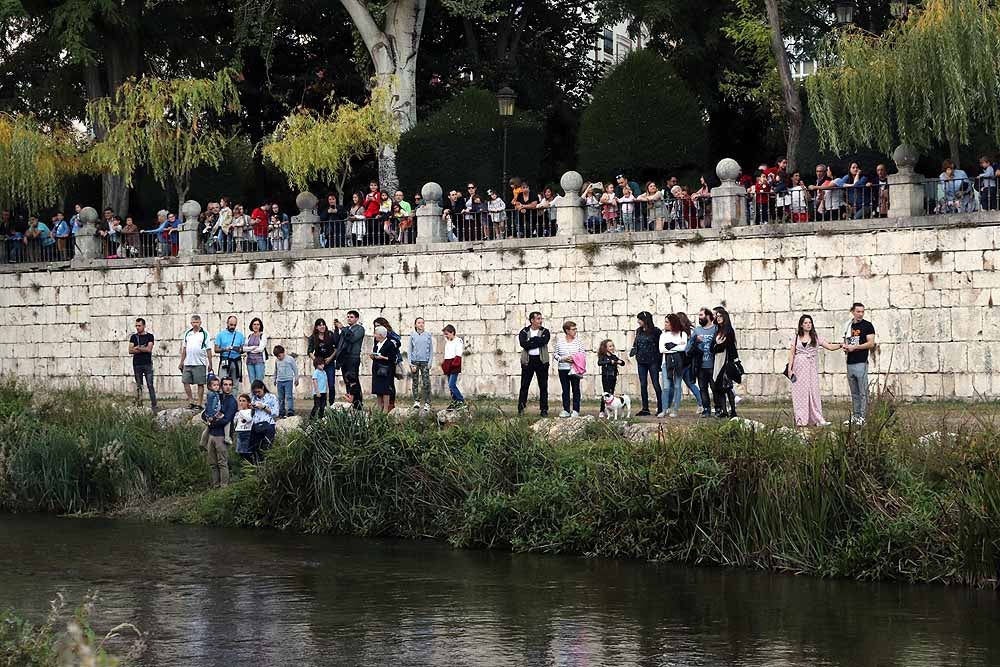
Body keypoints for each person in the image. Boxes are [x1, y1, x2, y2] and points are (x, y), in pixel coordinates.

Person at [786, 314, 842, 427]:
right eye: (806, 323)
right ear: (801, 325)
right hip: (799, 367)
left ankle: (817, 418)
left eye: (810, 323)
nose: (808, 325)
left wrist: (841, 345)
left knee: (813, 391)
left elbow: (829, 347)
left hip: (810, 367)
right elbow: (792, 353)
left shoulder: (815, 337)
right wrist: (789, 369)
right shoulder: (796, 337)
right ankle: (801, 419)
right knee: (799, 393)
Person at [842, 302, 876, 424]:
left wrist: (855, 347)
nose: (860, 314)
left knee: (863, 391)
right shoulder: (848, 325)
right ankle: (856, 416)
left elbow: (871, 343)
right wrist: (846, 347)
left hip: (861, 361)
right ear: (853, 312)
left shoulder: (867, 325)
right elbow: (846, 340)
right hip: (850, 361)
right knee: (854, 392)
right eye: (858, 311)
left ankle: (863, 416)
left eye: (862, 311)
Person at [629, 311, 662, 417]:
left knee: (656, 384)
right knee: (643, 384)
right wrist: (634, 350)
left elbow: (660, 346)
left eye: (640, 319)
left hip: (653, 361)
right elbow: (636, 342)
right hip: (641, 361)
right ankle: (645, 408)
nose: (638, 322)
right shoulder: (639, 331)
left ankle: (661, 407)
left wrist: (660, 362)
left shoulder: (656, 331)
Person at [517, 311, 550, 416]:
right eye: (538, 319)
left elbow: (543, 341)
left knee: (543, 386)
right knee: (524, 385)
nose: (540, 321)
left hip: (541, 361)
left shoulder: (545, 331)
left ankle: (544, 409)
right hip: (528, 361)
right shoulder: (524, 331)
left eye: (541, 318)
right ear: (532, 320)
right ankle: (521, 408)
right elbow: (524, 344)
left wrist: (531, 341)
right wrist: (536, 341)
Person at [686, 307, 717, 418]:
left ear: (708, 316)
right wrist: (695, 340)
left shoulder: (715, 329)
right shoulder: (697, 331)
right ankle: (706, 409)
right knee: (703, 389)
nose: (699, 318)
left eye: (701, 315)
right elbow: (688, 348)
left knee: (715, 388)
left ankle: (718, 408)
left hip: (713, 365)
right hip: (700, 365)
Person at [206, 377, 237, 488]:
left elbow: (227, 419)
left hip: (221, 436)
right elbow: (206, 411)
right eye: (225, 384)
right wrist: (207, 417)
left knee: (222, 462)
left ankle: (224, 486)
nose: (227, 387)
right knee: (212, 463)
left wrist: (212, 422)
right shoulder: (216, 396)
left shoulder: (232, 401)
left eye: (230, 384)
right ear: (221, 386)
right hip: (212, 434)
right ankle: (215, 485)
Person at [710, 307, 739, 418]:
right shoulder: (718, 331)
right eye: (717, 316)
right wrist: (717, 346)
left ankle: (733, 410)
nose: (718, 318)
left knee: (727, 386)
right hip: (718, 360)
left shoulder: (729, 330)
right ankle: (724, 410)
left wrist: (717, 346)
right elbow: (712, 348)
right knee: (719, 387)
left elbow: (724, 346)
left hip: (726, 361)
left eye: (720, 316)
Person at [179, 314, 213, 410]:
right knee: (185, 381)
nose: (195, 324)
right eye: (193, 322)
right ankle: (191, 401)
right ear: (191, 323)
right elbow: (184, 349)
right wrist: (181, 362)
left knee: (200, 383)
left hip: (200, 362)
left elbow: (209, 349)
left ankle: (199, 403)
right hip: (188, 362)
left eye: (197, 322)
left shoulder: (205, 334)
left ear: (200, 323)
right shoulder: (187, 333)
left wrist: (210, 363)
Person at [659, 314, 688, 418]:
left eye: (667, 322)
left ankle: (675, 409)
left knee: (677, 386)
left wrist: (671, 346)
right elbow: (662, 349)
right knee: (666, 387)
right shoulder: (663, 335)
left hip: (679, 364)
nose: (665, 324)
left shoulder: (682, 334)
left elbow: (683, 348)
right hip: (666, 364)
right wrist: (677, 345)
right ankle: (664, 409)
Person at [554, 320, 585, 417]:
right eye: (573, 329)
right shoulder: (560, 342)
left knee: (576, 389)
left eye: (575, 329)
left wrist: (575, 359)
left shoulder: (578, 341)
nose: (575, 331)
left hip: (575, 368)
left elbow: (583, 354)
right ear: (567, 330)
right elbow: (555, 354)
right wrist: (563, 358)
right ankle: (566, 409)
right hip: (563, 368)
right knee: (565, 389)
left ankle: (576, 410)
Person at [675, 311, 703, 411]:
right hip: (688, 362)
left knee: (676, 385)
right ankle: (701, 404)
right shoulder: (691, 331)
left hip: (680, 362)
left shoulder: (680, 333)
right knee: (690, 384)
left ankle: (673, 407)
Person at [307, 318, 339, 404]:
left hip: (329, 362)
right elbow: (310, 352)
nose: (322, 326)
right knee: (319, 384)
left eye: (323, 324)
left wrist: (330, 358)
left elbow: (336, 348)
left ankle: (332, 404)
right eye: (320, 325)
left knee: (331, 384)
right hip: (319, 365)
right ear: (316, 327)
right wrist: (317, 362)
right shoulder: (313, 338)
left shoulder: (330, 335)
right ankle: (320, 404)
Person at [128, 317, 157, 412]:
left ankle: (154, 405)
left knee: (150, 384)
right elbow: (130, 350)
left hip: (147, 364)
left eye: (139, 325)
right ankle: (139, 404)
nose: (137, 327)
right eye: (136, 326)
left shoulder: (150, 336)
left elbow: (149, 349)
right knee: (139, 385)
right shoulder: (133, 337)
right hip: (137, 364)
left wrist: (138, 348)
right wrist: (142, 348)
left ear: (144, 326)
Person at [249, 380, 278, 463]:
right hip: (256, 425)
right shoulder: (254, 398)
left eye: (259, 391)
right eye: (255, 392)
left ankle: (266, 467)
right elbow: (252, 414)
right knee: (254, 449)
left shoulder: (272, 397)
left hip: (268, 425)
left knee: (266, 449)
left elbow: (275, 413)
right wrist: (252, 408)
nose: (257, 394)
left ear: (263, 388)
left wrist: (263, 407)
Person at [370, 325, 398, 412]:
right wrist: (373, 356)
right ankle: (379, 408)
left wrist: (382, 357)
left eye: (376, 334)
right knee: (378, 390)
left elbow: (393, 358)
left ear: (381, 335)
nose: (374, 335)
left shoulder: (390, 344)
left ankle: (386, 409)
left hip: (386, 370)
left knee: (385, 390)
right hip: (376, 369)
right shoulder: (377, 344)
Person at [408, 317, 433, 412]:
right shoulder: (412, 335)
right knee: (415, 382)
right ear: (415, 325)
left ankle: (427, 402)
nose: (421, 324)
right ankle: (416, 401)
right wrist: (410, 364)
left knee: (426, 383)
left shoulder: (428, 335)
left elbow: (431, 350)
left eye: (422, 322)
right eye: (419, 323)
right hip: (415, 362)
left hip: (425, 362)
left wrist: (430, 362)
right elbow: (410, 350)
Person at [215, 315, 245, 392]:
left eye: (234, 325)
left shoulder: (240, 335)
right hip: (225, 360)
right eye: (231, 325)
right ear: (227, 323)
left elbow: (243, 349)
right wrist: (225, 349)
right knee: (222, 382)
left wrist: (238, 349)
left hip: (236, 361)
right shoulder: (220, 335)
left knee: (235, 384)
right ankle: (222, 402)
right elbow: (216, 349)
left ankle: (233, 402)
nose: (232, 327)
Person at [336, 310, 365, 391]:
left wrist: (342, 328)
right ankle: (350, 400)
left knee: (353, 380)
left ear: (357, 318)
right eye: (348, 317)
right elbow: (338, 342)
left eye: (351, 317)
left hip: (353, 358)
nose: (349, 319)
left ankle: (357, 402)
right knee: (347, 380)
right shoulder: (346, 329)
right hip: (344, 358)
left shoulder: (360, 329)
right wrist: (336, 329)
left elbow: (352, 338)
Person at [596, 339, 625, 416]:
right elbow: (599, 363)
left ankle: (610, 410)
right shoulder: (603, 356)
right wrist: (609, 362)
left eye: (612, 346)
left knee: (611, 393)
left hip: (613, 376)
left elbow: (623, 363)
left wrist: (620, 361)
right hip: (606, 377)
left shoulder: (614, 356)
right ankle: (602, 410)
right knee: (605, 393)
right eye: (610, 346)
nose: (612, 347)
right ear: (605, 348)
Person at [441, 324, 465, 409]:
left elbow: (459, 353)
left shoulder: (458, 341)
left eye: (447, 334)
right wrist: (444, 364)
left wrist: (454, 363)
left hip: (454, 364)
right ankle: (454, 402)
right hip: (448, 364)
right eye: (445, 334)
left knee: (452, 384)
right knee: (450, 386)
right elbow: (447, 354)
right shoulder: (448, 342)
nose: (446, 336)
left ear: (452, 332)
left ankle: (461, 401)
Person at [273, 345, 299, 418]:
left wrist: (296, 378)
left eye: (279, 356)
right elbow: (276, 370)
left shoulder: (290, 359)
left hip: (288, 380)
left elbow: (295, 369)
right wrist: (274, 379)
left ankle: (290, 411)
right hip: (280, 381)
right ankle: (281, 411)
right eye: (277, 356)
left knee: (289, 396)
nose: (279, 357)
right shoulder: (277, 361)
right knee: (280, 398)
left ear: (283, 352)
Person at [234, 394, 254, 463]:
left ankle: (248, 465)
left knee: (247, 452)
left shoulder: (250, 411)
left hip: (247, 432)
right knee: (240, 451)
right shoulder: (239, 412)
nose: (241, 403)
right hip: (240, 432)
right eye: (240, 401)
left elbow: (249, 419)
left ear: (248, 402)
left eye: (243, 401)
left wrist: (241, 412)